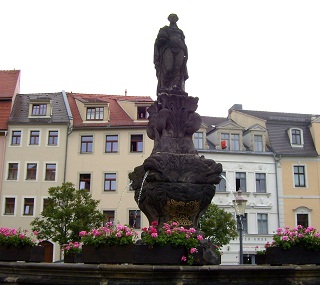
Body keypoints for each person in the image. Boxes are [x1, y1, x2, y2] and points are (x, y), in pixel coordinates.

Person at [154, 14, 188, 95]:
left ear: (177, 19)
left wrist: (186, 53)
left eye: (174, 17)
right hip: (168, 48)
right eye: (171, 17)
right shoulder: (164, 29)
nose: (173, 18)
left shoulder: (180, 31)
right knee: (168, 68)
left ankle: (176, 86)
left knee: (178, 68)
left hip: (180, 49)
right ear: (169, 19)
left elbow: (183, 42)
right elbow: (159, 41)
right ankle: (165, 87)